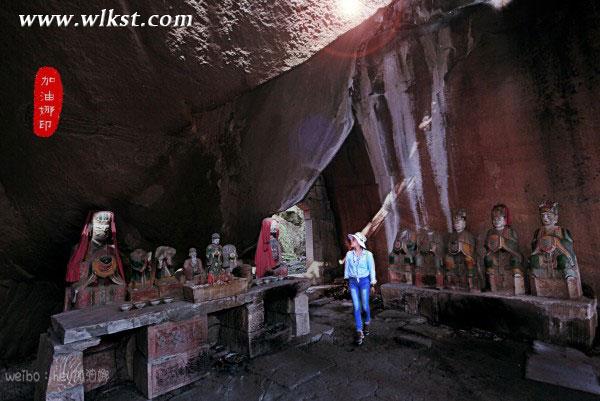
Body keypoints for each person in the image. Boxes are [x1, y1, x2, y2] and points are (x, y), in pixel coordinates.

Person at [344, 232, 376, 345]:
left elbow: (371, 269)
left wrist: (372, 283)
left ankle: (367, 321)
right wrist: (346, 280)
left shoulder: (368, 255)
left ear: (359, 242)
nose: (351, 241)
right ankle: (359, 330)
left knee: (365, 306)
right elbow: (347, 269)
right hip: (353, 282)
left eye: (353, 239)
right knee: (356, 306)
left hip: (364, 282)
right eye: (352, 239)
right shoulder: (349, 255)